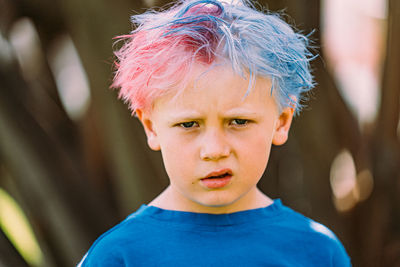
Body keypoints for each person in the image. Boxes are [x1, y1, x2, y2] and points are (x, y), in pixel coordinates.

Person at [78, 0, 351, 265]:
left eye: (239, 121)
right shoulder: (117, 256)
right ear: (151, 127)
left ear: (281, 121)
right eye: (188, 125)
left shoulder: (317, 252)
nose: (215, 150)